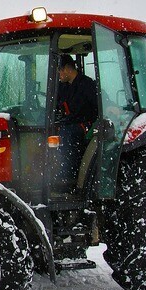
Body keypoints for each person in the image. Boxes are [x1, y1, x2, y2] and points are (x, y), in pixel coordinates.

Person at [54, 54, 97, 191]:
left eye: (60, 70)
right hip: (69, 123)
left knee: (67, 134)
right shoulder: (63, 87)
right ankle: (54, 173)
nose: (59, 74)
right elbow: (55, 103)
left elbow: (99, 105)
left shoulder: (87, 84)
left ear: (67, 68)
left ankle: (68, 178)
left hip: (86, 125)